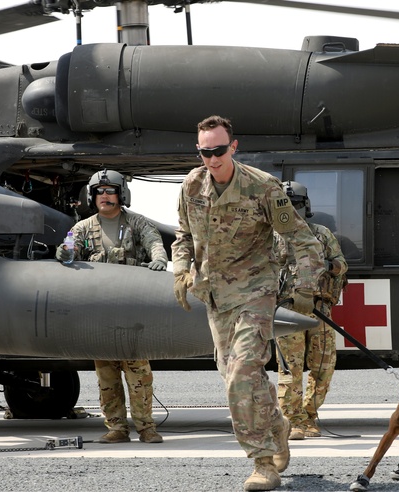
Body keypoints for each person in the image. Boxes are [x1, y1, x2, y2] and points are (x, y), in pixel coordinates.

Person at [171, 115, 325, 491]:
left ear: (233, 147)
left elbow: (303, 241)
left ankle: (263, 463)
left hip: (256, 292)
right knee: (238, 377)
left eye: (219, 150)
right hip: (215, 297)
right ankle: (278, 425)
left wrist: (305, 288)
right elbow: (183, 234)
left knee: (241, 376)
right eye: (205, 152)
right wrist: (180, 270)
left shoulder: (262, 187)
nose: (212, 159)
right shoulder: (191, 186)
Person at [56, 169, 167, 444]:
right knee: (106, 376)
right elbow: (68, 250)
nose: (104, 196)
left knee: (139, 374)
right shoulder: (82, 228)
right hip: (100, 315)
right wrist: (65, 252)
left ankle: (146, 428)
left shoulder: (137, 224)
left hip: (132, 312)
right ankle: (116, 427)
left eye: (110, 191)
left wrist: (159, 259)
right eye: (99, 192)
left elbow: (155, 245)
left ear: (121, 195)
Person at [272, 181, 348, 441]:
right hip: (286, 312)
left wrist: (324, 263)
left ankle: (309, 415)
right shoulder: (270, 237)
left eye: (297, 205)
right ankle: (292, 421)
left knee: (324, 367)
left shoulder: (321, 233)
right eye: (287, 205)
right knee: (289, 370)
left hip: (319, 310)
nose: (293, 211)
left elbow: (341, 265)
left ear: (306, 206)